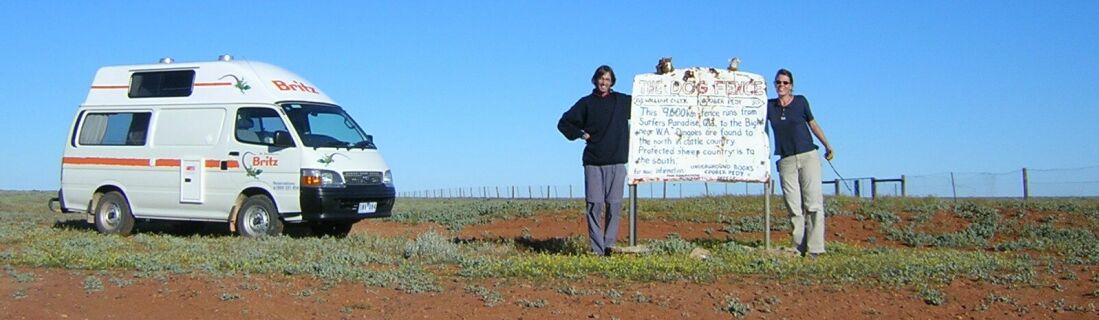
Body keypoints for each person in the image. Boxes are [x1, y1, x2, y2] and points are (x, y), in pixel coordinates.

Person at [557, 65, 631, 256]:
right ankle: (597, 250)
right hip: (593, 162)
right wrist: (580, 134)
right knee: (594, 205)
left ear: (612, 81)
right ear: (595, 80)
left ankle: (609, 247)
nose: (603, 82)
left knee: (614, 206)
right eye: (601, 79)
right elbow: (563, 123)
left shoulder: (622, 101)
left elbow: (648, 102)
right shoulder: (586, 103)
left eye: (607, 79)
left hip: (617, 161)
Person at [766, 68, 834, 257]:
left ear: (791, 86)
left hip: (808, 156)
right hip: (786, 160)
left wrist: (827, 144)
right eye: (778, 82)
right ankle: (799, 246)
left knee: (813, 203)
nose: (781, 86)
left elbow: (813, 124)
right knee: (793, 205)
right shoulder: (769, 107)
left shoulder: (801, 102)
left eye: (785, 83)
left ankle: (816, 248)